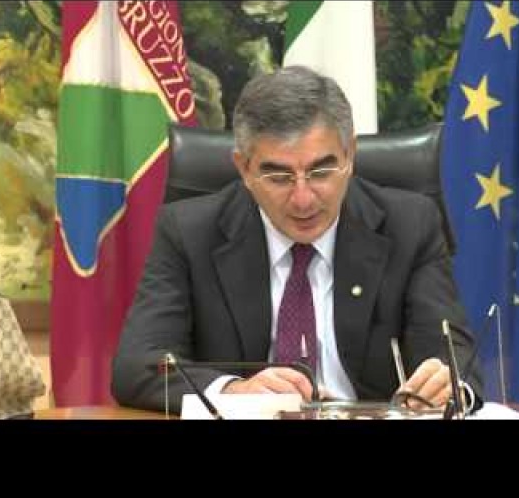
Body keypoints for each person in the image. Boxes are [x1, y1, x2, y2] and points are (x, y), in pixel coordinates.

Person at [111, 65, 483, 415]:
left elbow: (455, 358)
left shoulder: (410, 225)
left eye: (321, 171)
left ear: (350, 155)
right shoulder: (189, 231)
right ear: (244, 168)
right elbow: (138, 366)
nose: (303, 199)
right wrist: (232, 392)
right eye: (278, 177)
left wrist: (447, 386)